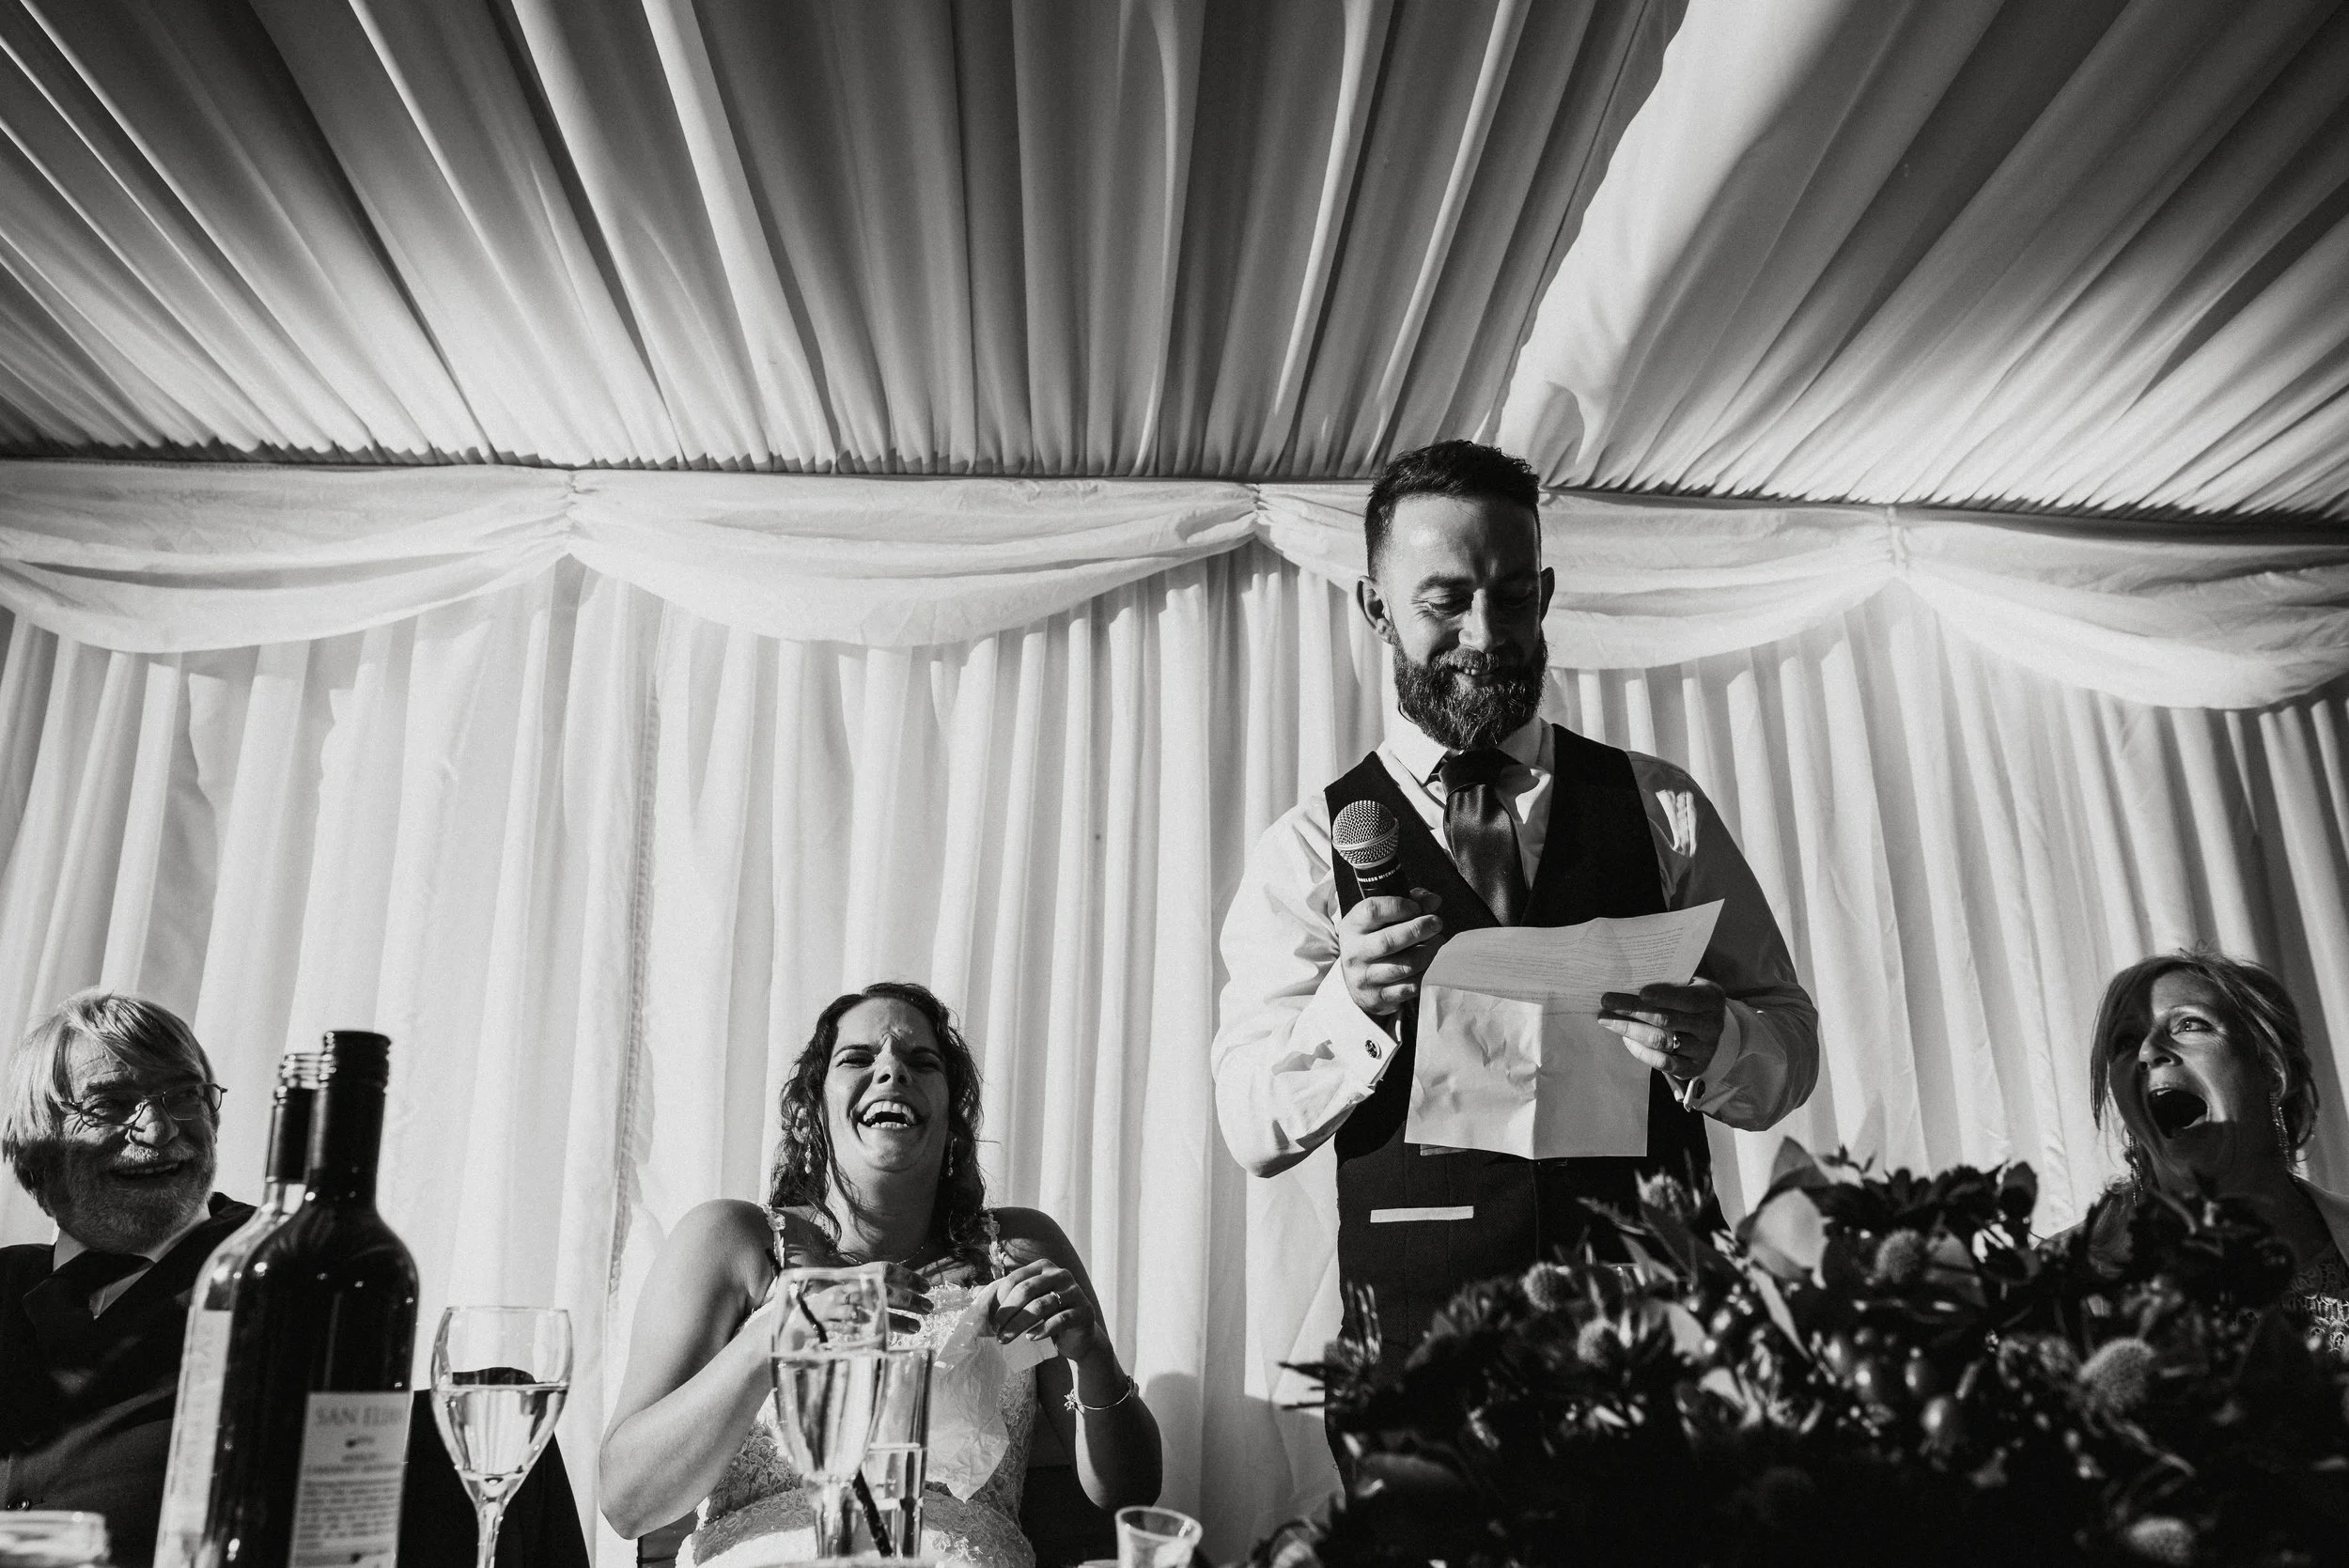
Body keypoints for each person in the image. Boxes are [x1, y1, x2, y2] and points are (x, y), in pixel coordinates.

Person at [1213, 439, 1819, 1370]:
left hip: (1649, 1348)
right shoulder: (1303, 848)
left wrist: (1724, 1041)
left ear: (1544, 594)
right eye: (1445, 600)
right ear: (1376, 608)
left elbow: (1790, 1046)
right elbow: (1250, 1123)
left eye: (1509, 595)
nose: (1488, 634)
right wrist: (1353, 1005)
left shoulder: (1660, 807)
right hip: (1421, 1369)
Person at [600, 982, 1162, 1568]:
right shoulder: (734, 1243)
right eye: (858, 1059)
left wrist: (1092, 1356)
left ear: (953, 1118)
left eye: (923, 1062)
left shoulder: (1020, 1247)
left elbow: (1131, 1492)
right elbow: (626, 1505)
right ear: (811, 1108)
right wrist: (773, 1337)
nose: (892, 1070)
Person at [0, 992, 250, 1568]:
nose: (160, 1130)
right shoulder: (8, 1282)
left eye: (185, 1095)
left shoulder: (277, 1277)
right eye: (110, 1104)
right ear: (37, 1141)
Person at [2086, 949, 2349, 1352]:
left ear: (2273, 1071)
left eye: (2190, 1024)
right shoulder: (2073, 1287)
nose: (2147, 1051)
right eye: (2125, 1042)